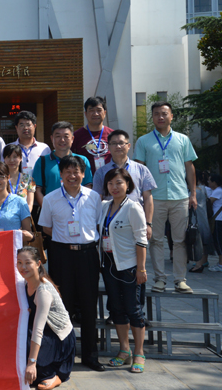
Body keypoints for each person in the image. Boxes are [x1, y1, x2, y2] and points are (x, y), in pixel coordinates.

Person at [38, 156, 104, 371]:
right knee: (62, 305)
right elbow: (46, 228)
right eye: (67, 171)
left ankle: (90, 356)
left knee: (88, 306)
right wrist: (65, 239)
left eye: (76, 171)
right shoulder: (50, 198)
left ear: (83, 174)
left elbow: (98, 224)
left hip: (87, 255)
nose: (72, 176)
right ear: (61, 175)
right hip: (61, 255)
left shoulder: (94, 197)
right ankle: (63, 356)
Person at [134, 101, 198, 294]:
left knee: (180, 240)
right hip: (154, 198)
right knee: (156, 240)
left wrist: (193, 193)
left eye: (164, 113)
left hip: (180, 196)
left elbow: (189, 167)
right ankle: (160, 279)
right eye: (156, 114)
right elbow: (139, 170)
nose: (160, 117)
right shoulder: (143, 141)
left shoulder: (183, 139)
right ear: (152, 117)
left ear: (171, 116)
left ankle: (180, 280)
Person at [98, 168, 148, 373]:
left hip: (129, 266)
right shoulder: (104, 206)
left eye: (119, 183)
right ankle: (124, 350)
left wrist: (141, 268)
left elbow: (141, 240)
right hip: (109, 264)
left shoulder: (133, 207)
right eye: (110, 183)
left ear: (128, 185)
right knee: (116, 309)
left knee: (133, 309)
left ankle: (139, 353)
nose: (114, 187)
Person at [17, 247, 75, 390]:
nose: (23, 267)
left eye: (28, 263)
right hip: (41, 333)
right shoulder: (24, 284)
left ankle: (54, 374)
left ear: (38, 264)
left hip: (58, 338)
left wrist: (31, 363)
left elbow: (38, 329)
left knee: (28, 355)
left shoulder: (43, 291)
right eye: (19, 262)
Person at [93, 130, 156, 238]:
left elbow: (148, 198)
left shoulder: (141, 169)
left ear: (129, 146)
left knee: (138, 248)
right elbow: (97, 199)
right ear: (108, 147)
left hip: (136, 219)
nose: (118, 146)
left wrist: (148, 223)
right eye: (114, 143)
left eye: (121, 143)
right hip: (110, 221)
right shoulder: (101, 172)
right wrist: (97, 224)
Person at [33, 122, 92, 205]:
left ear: (72, 139)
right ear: (52, 138)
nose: (62, 140)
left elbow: (88, 187)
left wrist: (80, 207)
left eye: (66, 136)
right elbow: (37, 190)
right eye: (58, 136)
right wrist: (48, 209)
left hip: (78, 208)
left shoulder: (82, 160)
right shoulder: (42, 161)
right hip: (52, 209)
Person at [72, 97, 113, 175]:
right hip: (86, 179)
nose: (95, 114)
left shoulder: (112, 135)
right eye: (91, 110)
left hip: (109, 179)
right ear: (85, 114)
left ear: (105, 113)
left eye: (99, 110)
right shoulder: (76, 136)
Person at [12, 111, 50, 176]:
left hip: (39, 182)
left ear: (35, 126)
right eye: (21, 125)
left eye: (28, 125)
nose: (25, 128)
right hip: (15, 182)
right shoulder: (9, 148)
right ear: (16, 128)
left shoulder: (44, 148)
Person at [4, 144, 35, 212]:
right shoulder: (0, 179)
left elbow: (30, 204)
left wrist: (23, 216)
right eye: (8, 157)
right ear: (4, 159)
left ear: (20, 158)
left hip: (23, 216)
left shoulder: (29, 179)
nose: (11, 160)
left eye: (15, 157)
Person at [207, 175, 222, 272]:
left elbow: (209, 202)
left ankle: (221, 264)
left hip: (218, 220)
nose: (208, 182)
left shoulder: (218, 191)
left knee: (218, 242)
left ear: (215, 182)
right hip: (219, 219)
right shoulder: (218, 190)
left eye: (210, 181)